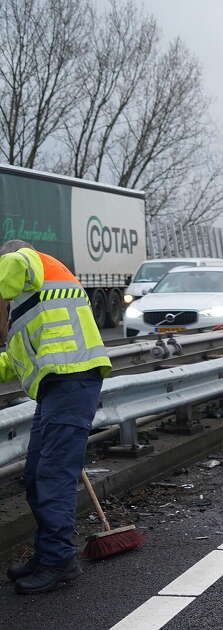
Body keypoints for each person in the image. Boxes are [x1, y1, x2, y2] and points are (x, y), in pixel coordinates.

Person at [0, 240, 111, 594]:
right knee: (36, 474)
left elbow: (12, 266)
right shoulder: (32, 304)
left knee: (52, 475)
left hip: (72, 382)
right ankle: (47, 554)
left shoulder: (30, 262)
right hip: (60, 387)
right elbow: (12, 363)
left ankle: (59, 560)